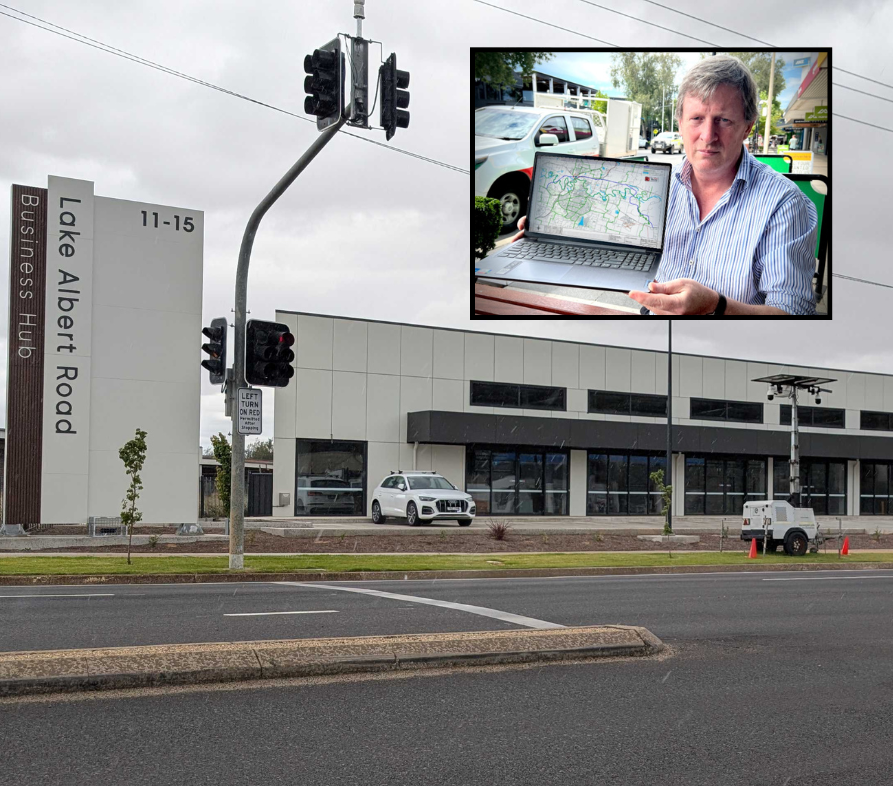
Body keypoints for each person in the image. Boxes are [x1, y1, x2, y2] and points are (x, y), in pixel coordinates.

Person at [512, 56, 818, 315]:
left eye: (723, 120)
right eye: (696, 118)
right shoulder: (655, 184)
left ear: (747, 127)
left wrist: (716, 306)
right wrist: (555, 231)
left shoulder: (783, 203)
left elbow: (793, 313)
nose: (707, 136)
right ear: (681, 123)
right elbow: (610, 234)